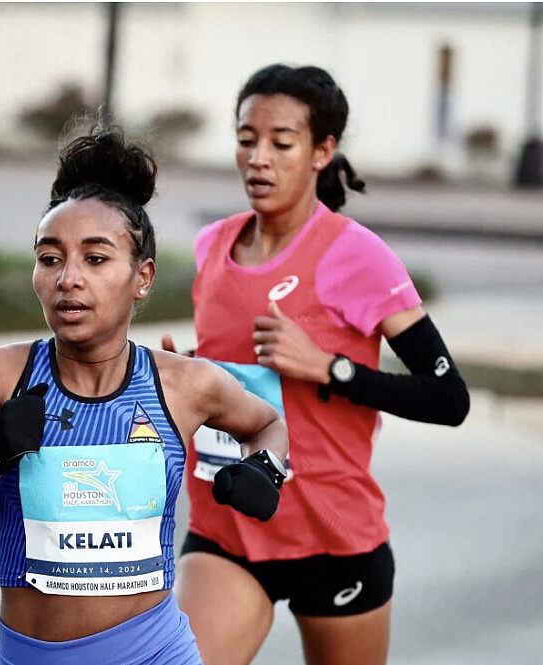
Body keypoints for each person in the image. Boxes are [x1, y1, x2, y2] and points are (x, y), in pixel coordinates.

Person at [0, 126, 289, 665]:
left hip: (158, 654)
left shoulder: (185, 384)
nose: (68, 279)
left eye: (95, 259)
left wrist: (265, 469)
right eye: (50, 258)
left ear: (143, 277)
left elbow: (267, 423)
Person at [165, 64, 471, 665]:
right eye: (246, 139)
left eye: (281, 143)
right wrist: (186, 375)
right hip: (229, 527)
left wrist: (330, 368)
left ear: (321, 152)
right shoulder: (213, 245)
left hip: (333, 538)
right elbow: (237, 377)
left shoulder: (355, 254)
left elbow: (449, 397)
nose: (259, 158)